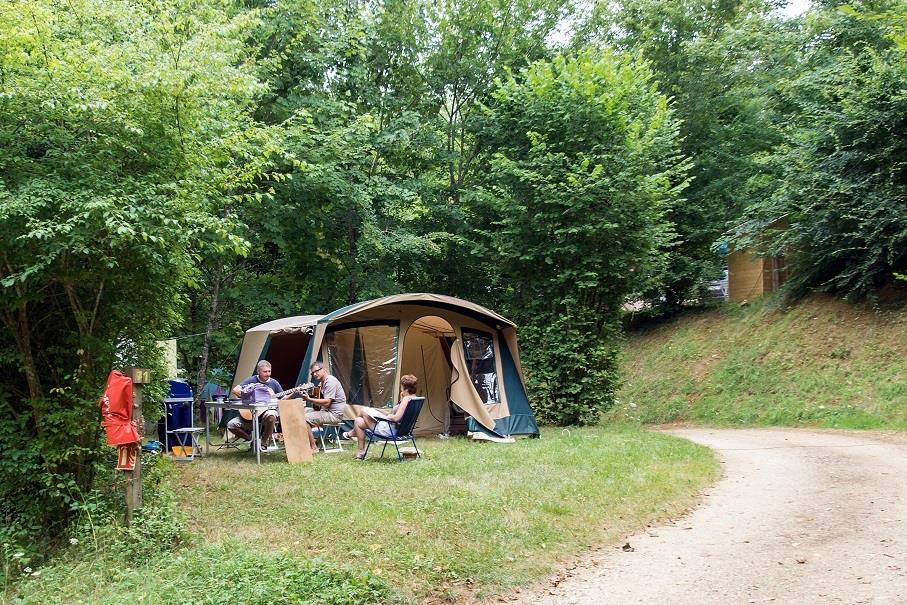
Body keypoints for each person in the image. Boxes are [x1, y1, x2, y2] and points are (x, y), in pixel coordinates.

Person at [346, 374, 418, 460]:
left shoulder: (406, 400)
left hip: (389, 430)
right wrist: (401, 397)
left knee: (363, 411)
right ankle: (360, 451)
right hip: (400, 429)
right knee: (358, 421)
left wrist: (389, 416)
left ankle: (353, 433)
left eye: (401, 387)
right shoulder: (415, 399)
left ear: (405, 389)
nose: (400, 388)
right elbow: (402, 414)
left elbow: (396, 418)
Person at [228, 360, 282, 451]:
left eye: (269, 371)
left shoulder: (274, 383)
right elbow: (235, 390)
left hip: (266, 414)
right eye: (265, 371)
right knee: (231, 425)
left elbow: (283, 398)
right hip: (250, 415)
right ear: (258, 371)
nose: (268, 374)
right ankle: (252, 440)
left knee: (272, 416)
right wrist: (250, 396)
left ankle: (263, 442)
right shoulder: (251, 380)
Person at [301, 362, 347, 452]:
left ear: (323, 369)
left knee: (304, 418)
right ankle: (306, 441)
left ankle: (313, 447)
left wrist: (309, 399)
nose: (314, 374)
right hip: (325, 411)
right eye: (312, 373)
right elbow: (319, 403)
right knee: (301, 411)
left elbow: (327, 403)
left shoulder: (330, 381)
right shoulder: (322, 383)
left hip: (333, 415)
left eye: (316, 371)